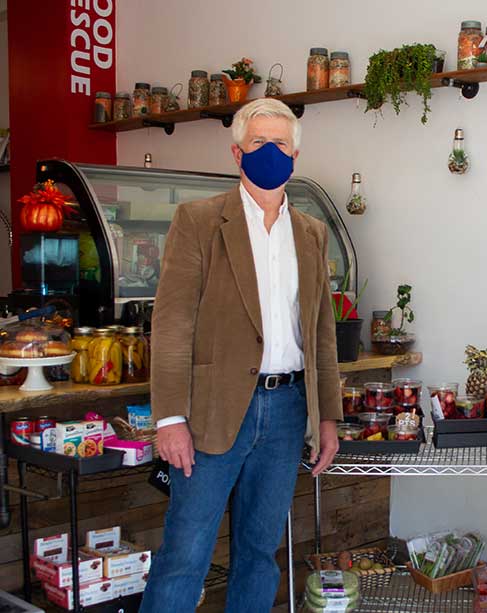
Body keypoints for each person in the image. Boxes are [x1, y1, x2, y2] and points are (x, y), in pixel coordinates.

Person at [140, 98, 342, 613]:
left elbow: (320, 332)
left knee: (259, 552)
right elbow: (171, 324)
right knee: (186, 552)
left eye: (280, 144)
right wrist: (169, 418)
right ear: (237, 152)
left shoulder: (312, 233)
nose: (270, 152)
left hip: (287, 409)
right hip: (211, 412)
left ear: (294, 156)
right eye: (259, 143)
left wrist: (328, 419)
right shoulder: (199, 221)